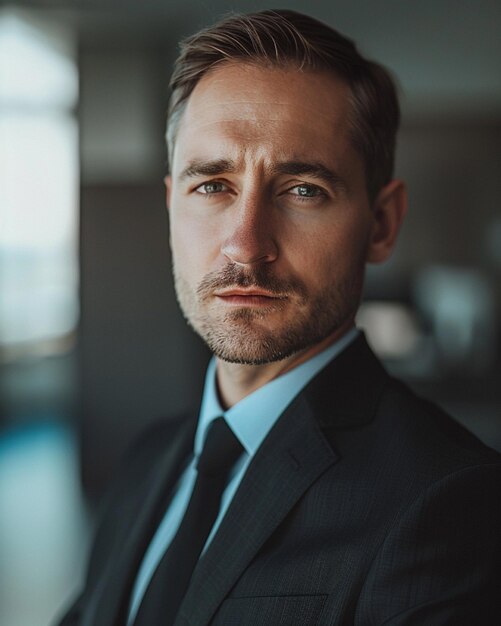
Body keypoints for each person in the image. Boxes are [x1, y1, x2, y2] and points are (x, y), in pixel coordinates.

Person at [57, 9, 501, 626]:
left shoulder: (450, 503)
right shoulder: (147, 460)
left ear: (381, 224)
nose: (245, 243)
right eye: (212, 185)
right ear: (170, 208)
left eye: (303, 190)